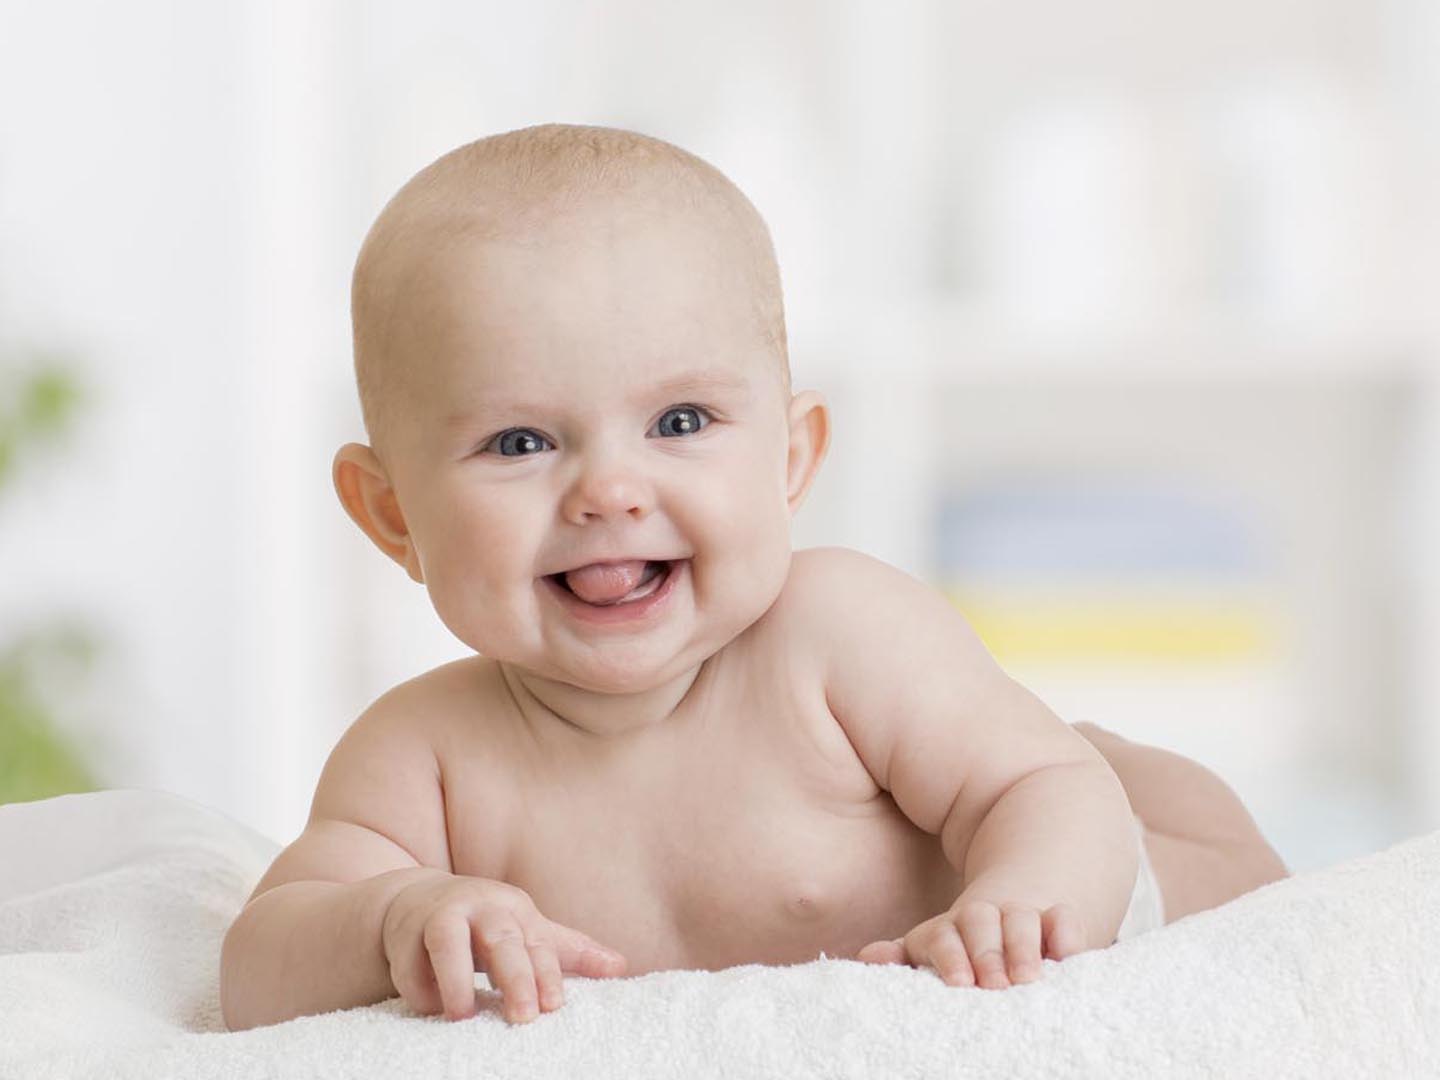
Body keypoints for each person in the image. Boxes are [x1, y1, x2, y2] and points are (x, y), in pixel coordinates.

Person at [219, 123, 1288, 1030]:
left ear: (788, 460)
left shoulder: (838, 635)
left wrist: (1019, 900)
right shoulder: (422, 757)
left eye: (679, 422)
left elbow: (1042, 794)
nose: (610, 491)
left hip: (1108, 878)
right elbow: (260, 966)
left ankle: (1184, 809)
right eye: (518, 443)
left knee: (1161, 826)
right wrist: (394, 916)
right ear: (393, 513)